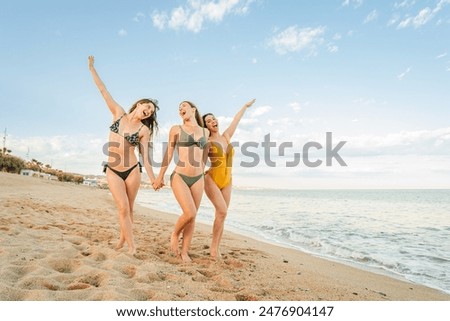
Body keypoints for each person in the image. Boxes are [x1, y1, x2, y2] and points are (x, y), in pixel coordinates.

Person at [88, 55, 159, 255]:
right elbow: (103, 91)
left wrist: (152, 179)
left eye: (151, 112)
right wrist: (92, 68)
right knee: (122, 208)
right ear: (139, 104)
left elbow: (145, 157)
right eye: (147, 107)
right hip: (112, 169)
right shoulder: (118, 113)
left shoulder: (144, 130)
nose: (148, 111)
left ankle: (125, 242)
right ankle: (131, 245)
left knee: (129, 208)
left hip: (132, 170)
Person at [153, 101, 209, 262]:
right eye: (179, 108)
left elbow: (205, 154)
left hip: (199, 178)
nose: (180, 109)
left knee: (193, 217)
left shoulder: (205, 132)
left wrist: (202, 170)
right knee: (189, 212)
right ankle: (175, 233)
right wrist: (160, 176)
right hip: (180, 176)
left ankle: (185, 252)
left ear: (193, 109)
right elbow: (169, 154)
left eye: (184, 106)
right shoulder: (176, 129)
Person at [202, 99, 256, 258]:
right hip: (211, 178)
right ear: (206, 127)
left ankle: (216, 248)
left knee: (222, 215)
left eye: (214, 119)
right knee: (222, 210)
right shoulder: (208, 141)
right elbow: (200, 160)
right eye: (208, 121)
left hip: (228, 180)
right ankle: (213, 249)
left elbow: (236, 120)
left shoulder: (226, 136)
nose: (213, 121)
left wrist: (245, 106)